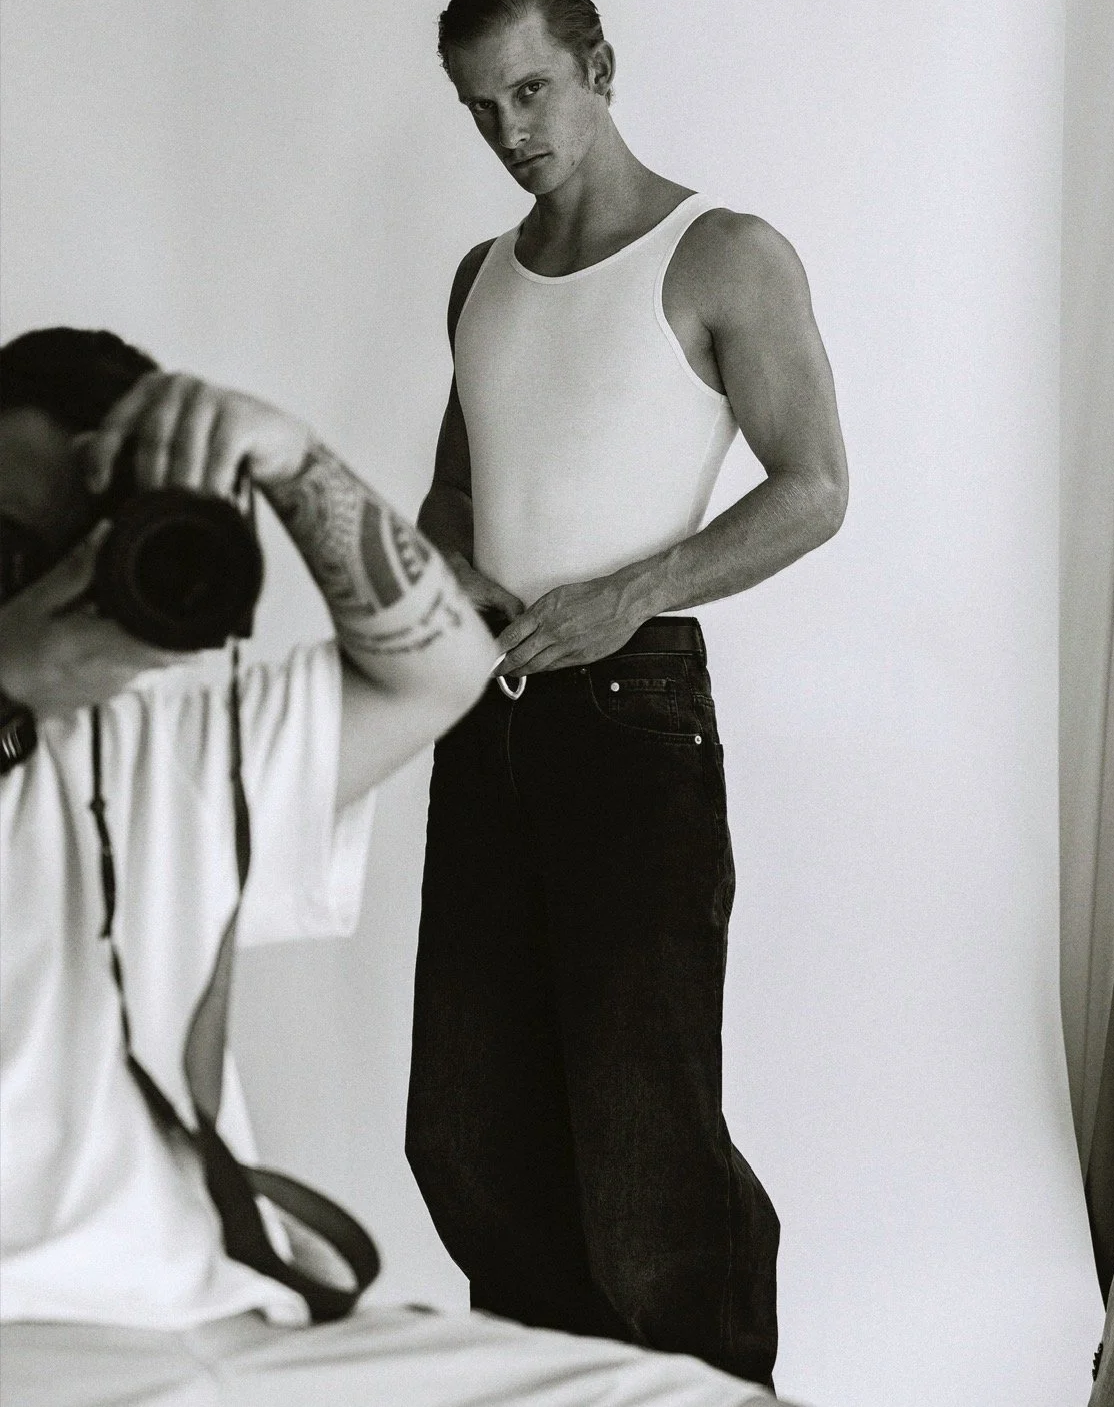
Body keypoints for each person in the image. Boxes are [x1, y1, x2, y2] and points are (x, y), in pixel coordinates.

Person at [0, 326, 775, 1407]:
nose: (67, 579)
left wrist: (286, 454)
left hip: (240, 1315)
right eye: (13, 547)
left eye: (91, 537)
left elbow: (441, 658)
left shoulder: (185, 741)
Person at [407, 0, 850, 1388]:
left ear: (598, 64)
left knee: (642, 1142)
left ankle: (717, 1389)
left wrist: (624, 597)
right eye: (481, 108)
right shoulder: (479, 278)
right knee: (467, 1136)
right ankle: (572, 1386)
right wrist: (456, 576)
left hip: (631, 706)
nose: (510, 130)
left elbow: (813, 488)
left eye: (531, 89)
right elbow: (452, 493)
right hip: (489, 713)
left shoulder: (724, 254)